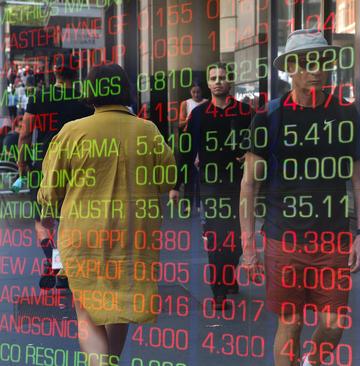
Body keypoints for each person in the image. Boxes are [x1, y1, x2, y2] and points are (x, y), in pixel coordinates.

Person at [239, 29, 360, 366]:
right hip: (283, 237)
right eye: (310, 62)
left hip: (332, 238)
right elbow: (249, 184)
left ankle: (312, 361)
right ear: (292, 68)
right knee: (291, 320)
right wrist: (248, 245)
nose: (318, 70)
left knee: (334, 323)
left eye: (324, 62)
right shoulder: (269, 116)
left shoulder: (345, 113)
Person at [38, 64, 175, 365]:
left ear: (90, 93)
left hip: (82, 236)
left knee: (87, 313)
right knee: (120, 307)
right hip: (133, 235)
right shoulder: (147, 130)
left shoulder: (72, 132)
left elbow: (50, 191)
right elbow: (168, 179)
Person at [169, 63, 252, 309]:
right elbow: (186, 151)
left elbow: (259, 145)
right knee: (216, 237)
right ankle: (219, 291)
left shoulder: (245, 112)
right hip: (211, 184)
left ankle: (229, 275)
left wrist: (249, 154)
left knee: (236, 238)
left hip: (240, 184)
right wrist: (176, 185)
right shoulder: (199, 114)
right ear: (208, 83)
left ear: (230, 81)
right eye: (213, 78)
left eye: (222, 77)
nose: (218, 82)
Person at [18, 55, 94, 289]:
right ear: (77, 70)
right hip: (76, 165)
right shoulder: (84, 100)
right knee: (67, 218)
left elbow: (24, 134)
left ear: (54, 71)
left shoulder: (40, 97)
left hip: (44, 164)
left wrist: (22, 163)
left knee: (42, 220)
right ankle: (64, 269)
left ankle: (55, 262)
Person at [177, 81, 207, 214]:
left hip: (205, 140)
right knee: (189, 175)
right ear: (190, 92)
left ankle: (201, 204)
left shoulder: (207, 103)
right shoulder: (186, 103)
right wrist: (190, 119)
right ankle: (187, 205)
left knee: (202, 175)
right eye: (193, 92)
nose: (196, 94)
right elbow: (180, 124)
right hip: (190, 140)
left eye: (198, 91)